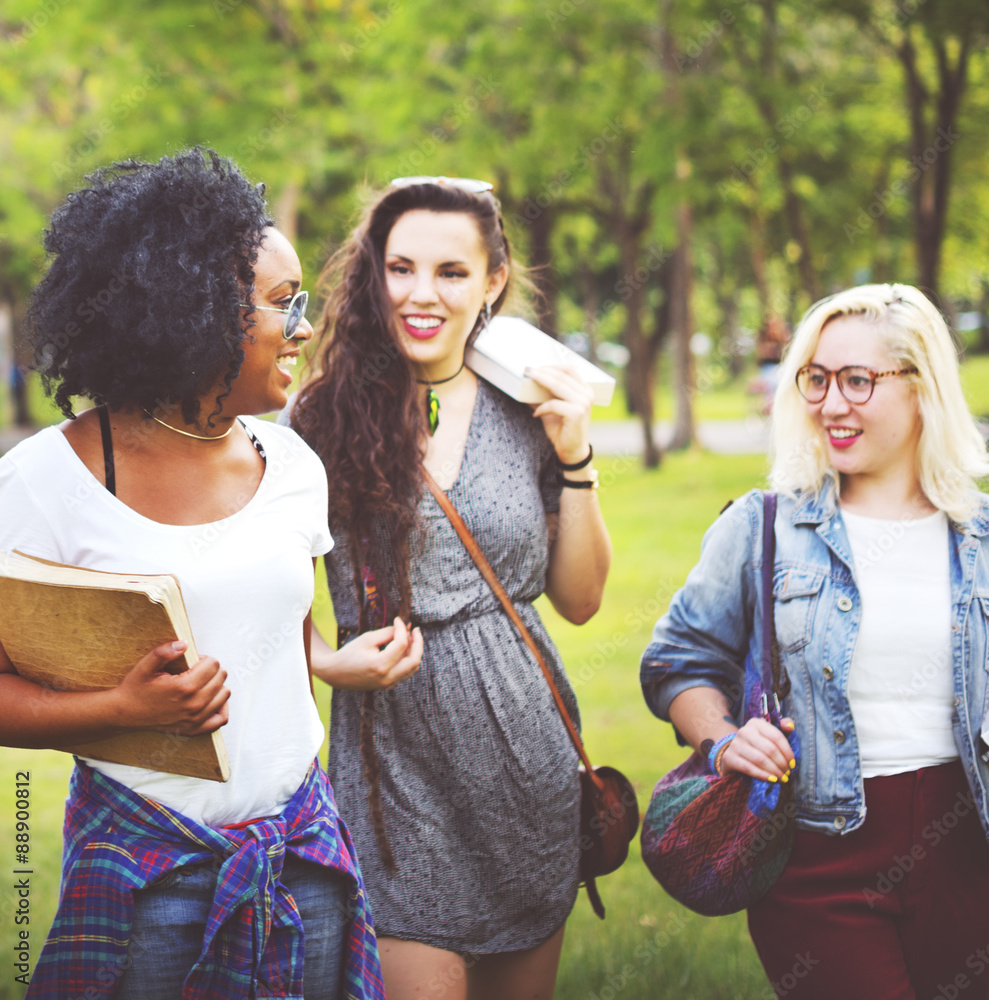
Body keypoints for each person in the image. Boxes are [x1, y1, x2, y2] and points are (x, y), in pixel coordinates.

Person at [0, 149, 384, 1000]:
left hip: (303, 865)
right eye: (286, 304)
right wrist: (121, 712)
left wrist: (327, 661)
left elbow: (275, 634)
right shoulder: (46, 483)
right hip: (149, 880)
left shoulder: (290, 465)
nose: (306, 327)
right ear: (196, 314)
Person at [289, 176, 612, 1000]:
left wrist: (575, 458)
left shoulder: (526, 408)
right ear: (373, 274)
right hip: (392, 769)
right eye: (399, 268)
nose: (420, 295)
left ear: (493, 281)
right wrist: (325, 663)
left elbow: (578, 600)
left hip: (524, 764)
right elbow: (265, 587)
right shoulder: (317, 421)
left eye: (451, 272)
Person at [641, 283, 989, 999]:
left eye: (857, 381)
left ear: (921, 386)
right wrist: (721, 739)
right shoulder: (763, 527)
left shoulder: (978, 533)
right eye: (816, 379)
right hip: (819, 859)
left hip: (968, 850)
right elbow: (678, 660)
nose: (830, 404)